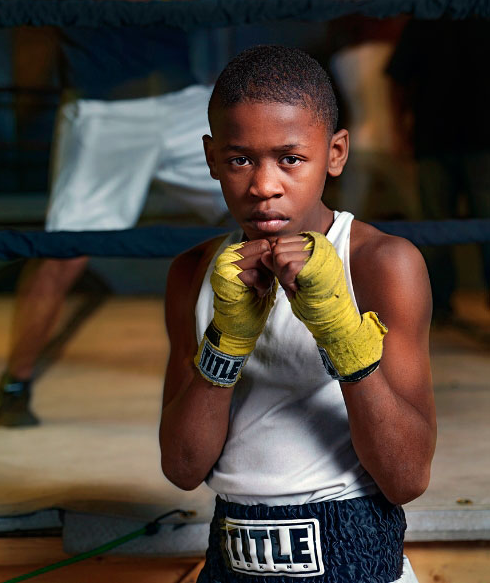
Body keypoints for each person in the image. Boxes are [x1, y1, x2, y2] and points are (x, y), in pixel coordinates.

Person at [160, 45, 436, 582]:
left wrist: (341, 332)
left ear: (335, 154)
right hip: (229, 555)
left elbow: (406, 478)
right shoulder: (193, 272)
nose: (264, 186)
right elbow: (183, 467)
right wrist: (226, 340)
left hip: (354, 549)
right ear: (211, 157)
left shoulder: (383, 264)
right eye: (241, 159)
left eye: (290, 158)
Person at [0, 0, 274, 427]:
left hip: (180, 96)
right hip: (107, 108)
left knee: (273, 206)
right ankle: (14, 381)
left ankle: (311, 362)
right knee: (64, 253)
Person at [386, 0, 490, 324]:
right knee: (481, 224)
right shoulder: (482, 15)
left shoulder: (427, 17)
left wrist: (400, 131)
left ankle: (442, 307)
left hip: (435, 138)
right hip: (479, 139)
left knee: (435, 225)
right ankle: (448, 305)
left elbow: (397, 81)